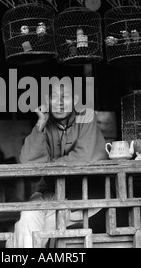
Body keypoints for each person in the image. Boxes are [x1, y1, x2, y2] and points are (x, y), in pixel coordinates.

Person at [13, 78, 108, 248]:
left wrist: (49, 164)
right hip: (51, 195)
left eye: (65, 97)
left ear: (76, 101)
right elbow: (28, 162)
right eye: (54, 97)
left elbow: (83, 158)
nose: (60, 103)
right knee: (27, 218)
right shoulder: (45, 124)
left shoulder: (85, 116)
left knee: (33, 234)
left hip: (84, 199)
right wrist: (40, 125)